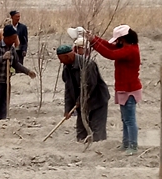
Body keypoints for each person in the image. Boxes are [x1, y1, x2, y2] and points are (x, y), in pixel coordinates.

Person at [87, 25, 142, 155]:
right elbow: (109, 47)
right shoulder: (127, 48)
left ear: (122, 39)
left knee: (129, 119)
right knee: (125, 119)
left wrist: (93, 42)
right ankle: (126, 143)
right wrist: (94, 38)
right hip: (124, 88)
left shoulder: (130, 51)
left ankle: (132, 146)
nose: (116, 42)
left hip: (129, 89)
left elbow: (110, 54)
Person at [56, 45, 110, 142]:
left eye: (62, 59)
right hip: (80, 102)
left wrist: (80, 100)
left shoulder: (88, 64)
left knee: (97, 129)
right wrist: (68, 109)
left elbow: (89, 86)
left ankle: (97, 148)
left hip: (97, 100)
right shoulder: (66, 68)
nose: (60, 62)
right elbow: (68, 89)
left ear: (68, 56)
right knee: (81, 131)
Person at [0, 25, 36, 119]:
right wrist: (2, 58)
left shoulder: (12, 49)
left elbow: (16, 64)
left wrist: (27, 72)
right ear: (6, 37)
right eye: (13, 38)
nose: (14, 41)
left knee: (4, 107)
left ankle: (1, 123)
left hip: (6, 82)